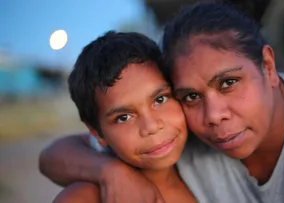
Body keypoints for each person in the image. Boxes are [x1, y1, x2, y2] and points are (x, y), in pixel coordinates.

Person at [40, 2, 284, 203]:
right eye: (189, 96)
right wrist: (108, 170)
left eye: (229, 83)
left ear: (269, 66)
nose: (213, 116)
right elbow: (55, 154)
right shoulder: (174, 136)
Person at [52, 31, 198, 203]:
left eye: (160, 99)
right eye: (124, 117)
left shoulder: (211, 153)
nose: (150, 126)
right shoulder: (84, 198)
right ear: (98, 134)